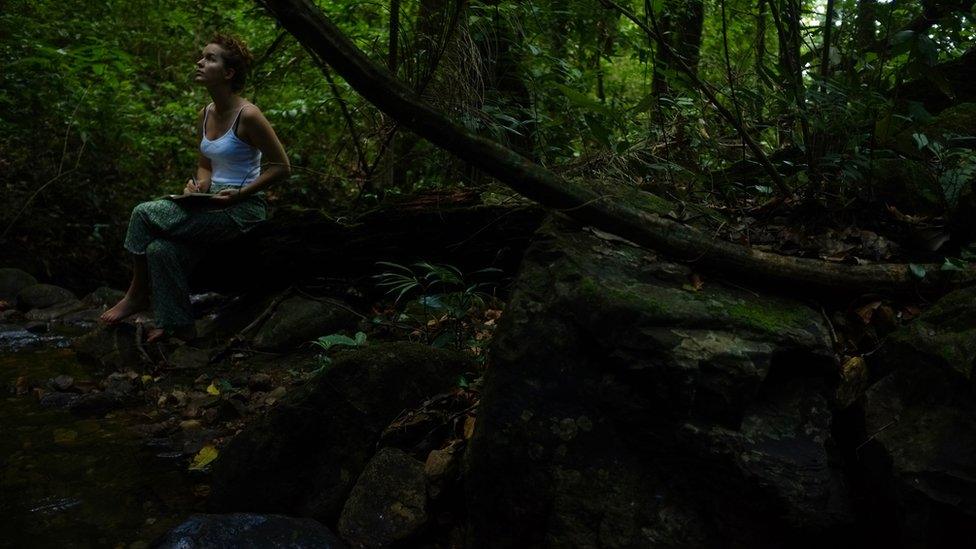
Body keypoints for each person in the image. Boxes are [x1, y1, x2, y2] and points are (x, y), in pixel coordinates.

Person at [100, 33, 290, 342]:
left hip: (244, 209)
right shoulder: (206, 114)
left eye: (210, 58)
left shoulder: (249, 115)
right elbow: (205, 163)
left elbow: (282, 166)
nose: (200, 62)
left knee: (143, 214)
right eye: (202, 57)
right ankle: (178, 326)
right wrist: (200, 184)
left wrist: (241, 194)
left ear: (228, 73)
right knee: (160, 249)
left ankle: (136, 296)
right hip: (210, 202)